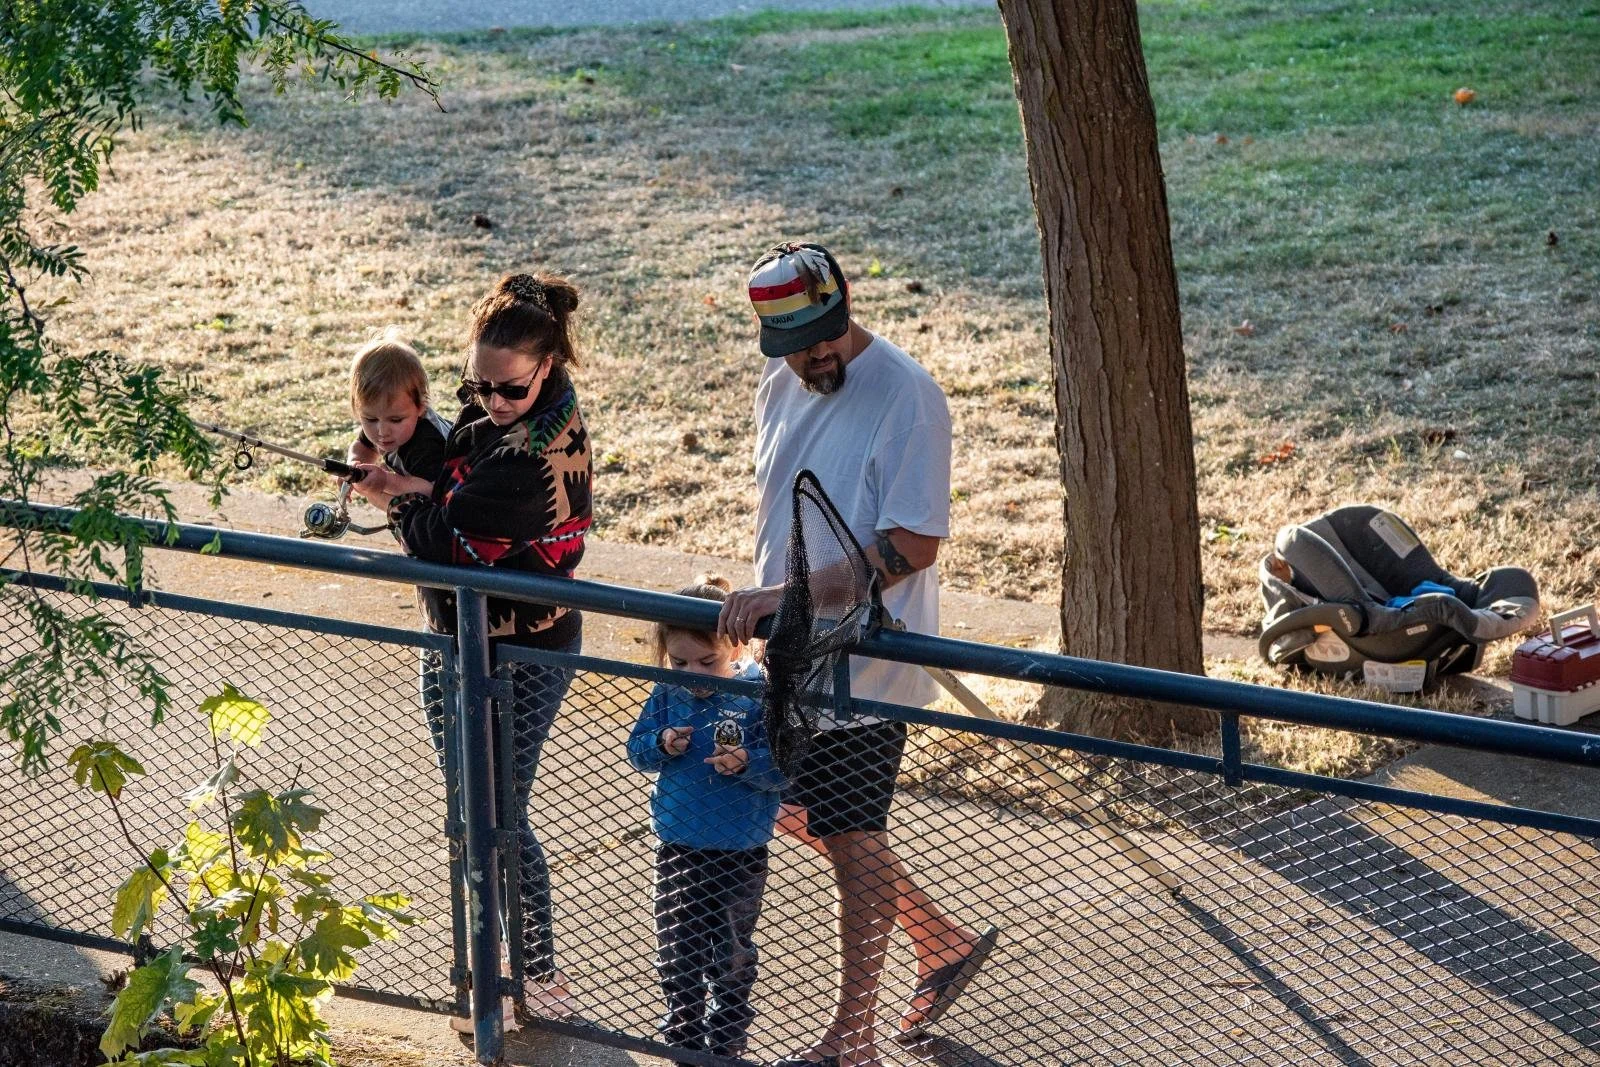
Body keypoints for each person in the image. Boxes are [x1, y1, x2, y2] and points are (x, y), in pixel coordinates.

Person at [718, 242, 997, 1067]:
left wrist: (788, 595)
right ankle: (938, 937)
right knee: (796, 811)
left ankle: (852, 1040)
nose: (817, 354)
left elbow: (912, 543)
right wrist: (771, 597)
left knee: (851, 837)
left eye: (827, 333)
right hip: (789, 655)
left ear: (846, 305)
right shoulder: (778, 383)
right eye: (797, 343)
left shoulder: (908, 395)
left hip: (864, 667)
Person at [348, 271, 593, 1028]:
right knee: (467, 808)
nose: (490, 402)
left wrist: (394, 497)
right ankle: (490, 973)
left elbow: (449, 545)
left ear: (548, 367)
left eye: (509, 389)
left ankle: (534, 977)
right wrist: (401, 458)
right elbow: (452, 472)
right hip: (456, 636)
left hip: (521, 652)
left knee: (499, 816)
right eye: (477, 384)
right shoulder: (505, 407)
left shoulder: (532, 460)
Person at [626, 575, 785, 1064]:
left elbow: (783, 769)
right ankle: (684, 1031)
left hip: (740, 848)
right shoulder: (668, 693)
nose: (693, 674)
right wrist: (661, 743)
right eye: (679, 663)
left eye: (706, 661)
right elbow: (637, 750)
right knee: (678, 946)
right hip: (679, 843)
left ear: (736, 646)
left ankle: (728, 1032)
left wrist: (748, 762)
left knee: (730, 949)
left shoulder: (759, 695)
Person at [344, 330, 451, 481]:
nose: (382, 431)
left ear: (421, 407)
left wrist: (386, 482)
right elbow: (363, 446)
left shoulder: (426, 445)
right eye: (370, 419)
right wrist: (353, 467)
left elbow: (431, 489)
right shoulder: (386, 421)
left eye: (395, 420)